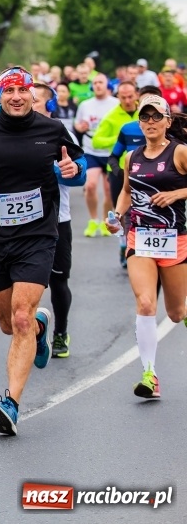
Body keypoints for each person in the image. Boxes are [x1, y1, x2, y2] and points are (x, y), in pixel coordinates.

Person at [0, 67, 85, 435]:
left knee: (20, 318)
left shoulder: (52, 130)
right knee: (9, 324)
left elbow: (81, 168)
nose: (16, 97)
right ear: (1, 96)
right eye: (9, 92)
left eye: (22, 91)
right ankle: (41, 325)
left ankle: (11, 402)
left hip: (38, 237)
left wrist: (73, 169)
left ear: (31, 95)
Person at [105, 95, 187, 399]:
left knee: (176, 312)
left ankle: (182, 311)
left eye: (156, 117)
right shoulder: (132, 157)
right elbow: (126, 191)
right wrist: (116, 216)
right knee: (145, 304)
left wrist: (178, 193)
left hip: (175, 240)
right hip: (140, 238)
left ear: (167, 121)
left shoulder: (180, 153)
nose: (150, 123)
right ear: (139, 122)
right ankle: (149, 375)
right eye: (145, 117)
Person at [32, 83, 87, 358]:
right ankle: (32, 328)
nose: (26, 104)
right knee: (18, 285)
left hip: (56, 219)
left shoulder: (59, 133)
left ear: (50, 106)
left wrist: (67, 170)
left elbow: (80, 175)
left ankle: (60, 332)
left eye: (35, 101)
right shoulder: (7, 133)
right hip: (18, 223)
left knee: (58, 281)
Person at [91, 81, 140, 267]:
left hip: (144, 172)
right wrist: (121, 138)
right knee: (121, 212)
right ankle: (123, 244)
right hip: (118, 171)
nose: (127, 100)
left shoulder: (145, 114)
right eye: (123, 97)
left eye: (130, 96)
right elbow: (96, 141)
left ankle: (140, 246)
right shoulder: (111, 116)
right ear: (117, 97)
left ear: (137, 95)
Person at [73, 74, 118, 237]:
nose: (98, 85)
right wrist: (80, 127)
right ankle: (93, 220)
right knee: (91, 185)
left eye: (101, 82)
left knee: (108, 190)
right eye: (95, 83)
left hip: (111, 151)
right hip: (90, 149)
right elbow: (77, 125)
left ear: (108, 85)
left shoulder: (116, 104)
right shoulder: (85, 105)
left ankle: (107, 220)